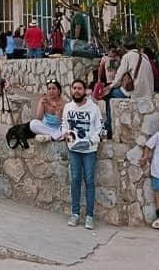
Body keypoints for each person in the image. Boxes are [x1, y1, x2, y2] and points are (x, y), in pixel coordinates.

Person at [62, 79, 103, 230]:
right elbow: (64, 124)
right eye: (74, 88)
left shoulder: (94, 108)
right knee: (75, 180)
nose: (77, 91)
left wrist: (90, 142)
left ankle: (89, 216)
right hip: (73, 150)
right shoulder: (68, 107)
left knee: (90, 181)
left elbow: (99, 129)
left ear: (85, 90)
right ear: (71, 90)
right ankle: (75, 213)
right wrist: (64, 134)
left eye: (79, 88)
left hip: (89, 151)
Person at [104, 37, 151, 137]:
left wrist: (110, 87)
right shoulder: (145, 57)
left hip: (134, 92)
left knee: (111, 95)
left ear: (124, 46)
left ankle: (108, 128)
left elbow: (118, 77)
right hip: (147, 92)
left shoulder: (127, 56)